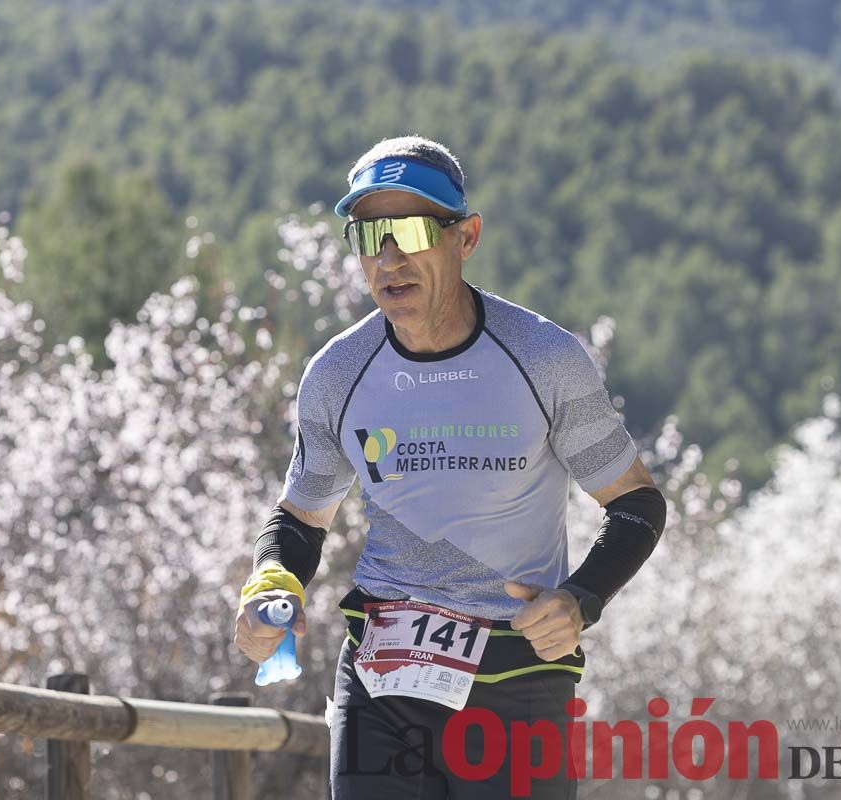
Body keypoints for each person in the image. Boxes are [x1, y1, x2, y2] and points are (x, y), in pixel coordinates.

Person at [233, 135, 666, 798]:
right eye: (369, 234)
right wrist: (271, 583)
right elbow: (299, 518)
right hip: (382, 681)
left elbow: (636, 504)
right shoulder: (337, 373)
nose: (388, 257)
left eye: (408, 230)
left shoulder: (544, 358)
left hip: (519, 678)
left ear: (466, 237)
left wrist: (582, 599)